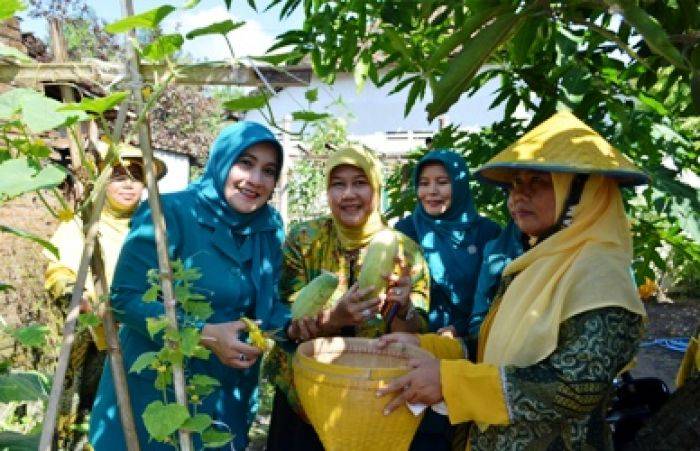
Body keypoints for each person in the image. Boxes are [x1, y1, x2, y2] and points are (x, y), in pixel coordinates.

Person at [377, 111, 648, 450]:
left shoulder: (602, 276)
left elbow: (575, 387)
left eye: (538, 183)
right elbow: (495, 352)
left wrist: (451, 382)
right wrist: (430, 347)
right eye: (515, 184)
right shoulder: (532, 263)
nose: (518, 196)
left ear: (583, 194)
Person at [89, 121, 289, 450]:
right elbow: (124, 299)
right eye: (246, 163)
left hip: (226, 391)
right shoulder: (170, 212)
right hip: (159, 388)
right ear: (222, 161)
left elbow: (267, 308)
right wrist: (203, 333)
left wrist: (309, 325)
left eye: (268, 171)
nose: (255, 180)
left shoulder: (268, 227)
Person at [264, 144, 431, 451]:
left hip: (374, 399)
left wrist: (402, 308)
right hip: (303, 396)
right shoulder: (305, 240)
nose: (348, 194)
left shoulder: (404, 250)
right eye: (337, 184)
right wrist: (333, 320)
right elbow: (286, 322)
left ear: (376, 188)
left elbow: (413, 338)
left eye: (359, 182)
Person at [44, 144, 165, 449]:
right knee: (89, 422)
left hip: (145, 339)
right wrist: (81, 299)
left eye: (136, 177)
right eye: (119, 176)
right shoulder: (83, 224)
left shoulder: (156, 229)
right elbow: (59, 272)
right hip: (96, 341)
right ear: (101, 181)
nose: (128, 185)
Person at [393, 149, 500, 450]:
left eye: (442, 181)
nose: (432, 191)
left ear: (461, 185)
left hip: (471, 350)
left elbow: (495, 295)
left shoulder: (488, 233)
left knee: (460, 433)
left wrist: (460, 330)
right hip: (414, 348)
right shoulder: (406, 232)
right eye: (424, 183)